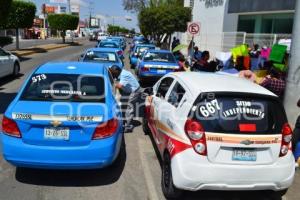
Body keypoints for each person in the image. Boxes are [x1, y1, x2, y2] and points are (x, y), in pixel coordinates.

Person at [109, 65, 142, 133]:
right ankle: (124, 121)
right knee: (123, 104)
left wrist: (112, 84)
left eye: (113, 73)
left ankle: (128, 127)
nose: (113, 74)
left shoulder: (124, 75)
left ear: (117, 71)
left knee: (129, 108)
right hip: (128, 90)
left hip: (135, 91)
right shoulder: (121, 73)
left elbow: (119, 85)